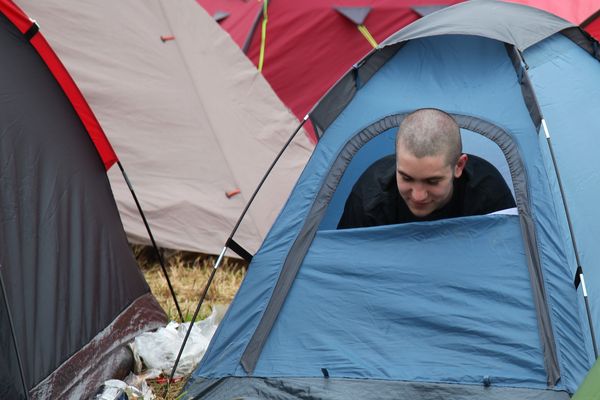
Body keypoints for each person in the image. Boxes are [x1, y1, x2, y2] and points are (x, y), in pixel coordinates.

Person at [338, 108, 516, 229]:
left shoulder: (487, 191)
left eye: (432, 181)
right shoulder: (370, 197)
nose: (418, 196)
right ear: (397, 162)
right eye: (406, 178)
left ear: (459, 166)